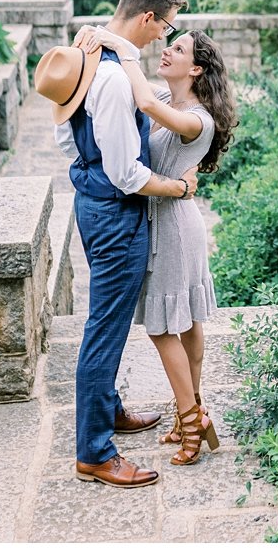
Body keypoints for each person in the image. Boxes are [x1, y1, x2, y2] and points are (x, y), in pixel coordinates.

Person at [42, 0, 197, 490]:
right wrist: (176, 188)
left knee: (103, 321)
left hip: (93, 205)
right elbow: (127, 174)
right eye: (165, 28)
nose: (164, 38)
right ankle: (94, 453)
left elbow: (67, 140)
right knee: (104, 332)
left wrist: (88, 172)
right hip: (115, 216)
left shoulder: (91, 58)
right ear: (148, 16)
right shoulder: (110, 78)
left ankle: (107, 412)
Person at [75, 23, 236, 467]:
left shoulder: (197, 119)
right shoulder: (172, 101)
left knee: (166, 326)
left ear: (197, 68)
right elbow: (140, 95)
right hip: (169, 217)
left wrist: (121, 45)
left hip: (175, 227)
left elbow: (141, 99)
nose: (166, 51)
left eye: (178, 49)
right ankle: (195, 409)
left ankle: (189, 419)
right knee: (184, 324)